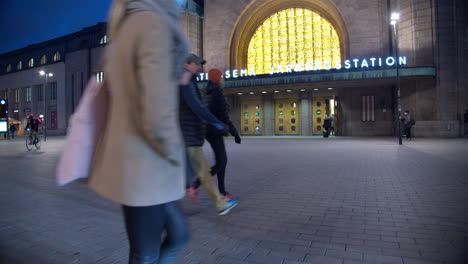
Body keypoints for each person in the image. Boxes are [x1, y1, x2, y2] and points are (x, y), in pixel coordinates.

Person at [89, 1, 191, 263]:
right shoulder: (152, 24)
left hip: (134, 160)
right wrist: (176, 157)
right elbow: (156, 109)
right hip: (147, 162)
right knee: (146, 253)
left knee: (177, 235)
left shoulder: (125, 27)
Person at [180, 54, 239, 215]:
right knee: (204, 170)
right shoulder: (186, 82)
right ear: (188, 63)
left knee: (203, 171)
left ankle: (218, 201)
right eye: (197, 64)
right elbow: (198, 108)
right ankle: (219, 202)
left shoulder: (189, 81)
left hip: (191, 135)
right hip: (189, 135)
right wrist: (218, 123)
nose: (199, 67)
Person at [203, 69, 241, 199]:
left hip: (211, 132)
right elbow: (225, 118)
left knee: (221, 162)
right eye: (222, 78)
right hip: (214, 132)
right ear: (217, 79)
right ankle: (197, 182)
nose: (223, 80)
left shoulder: (209, 93)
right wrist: (235, 134)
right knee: (221, 162)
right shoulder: (217, 95)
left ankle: (222, 192)